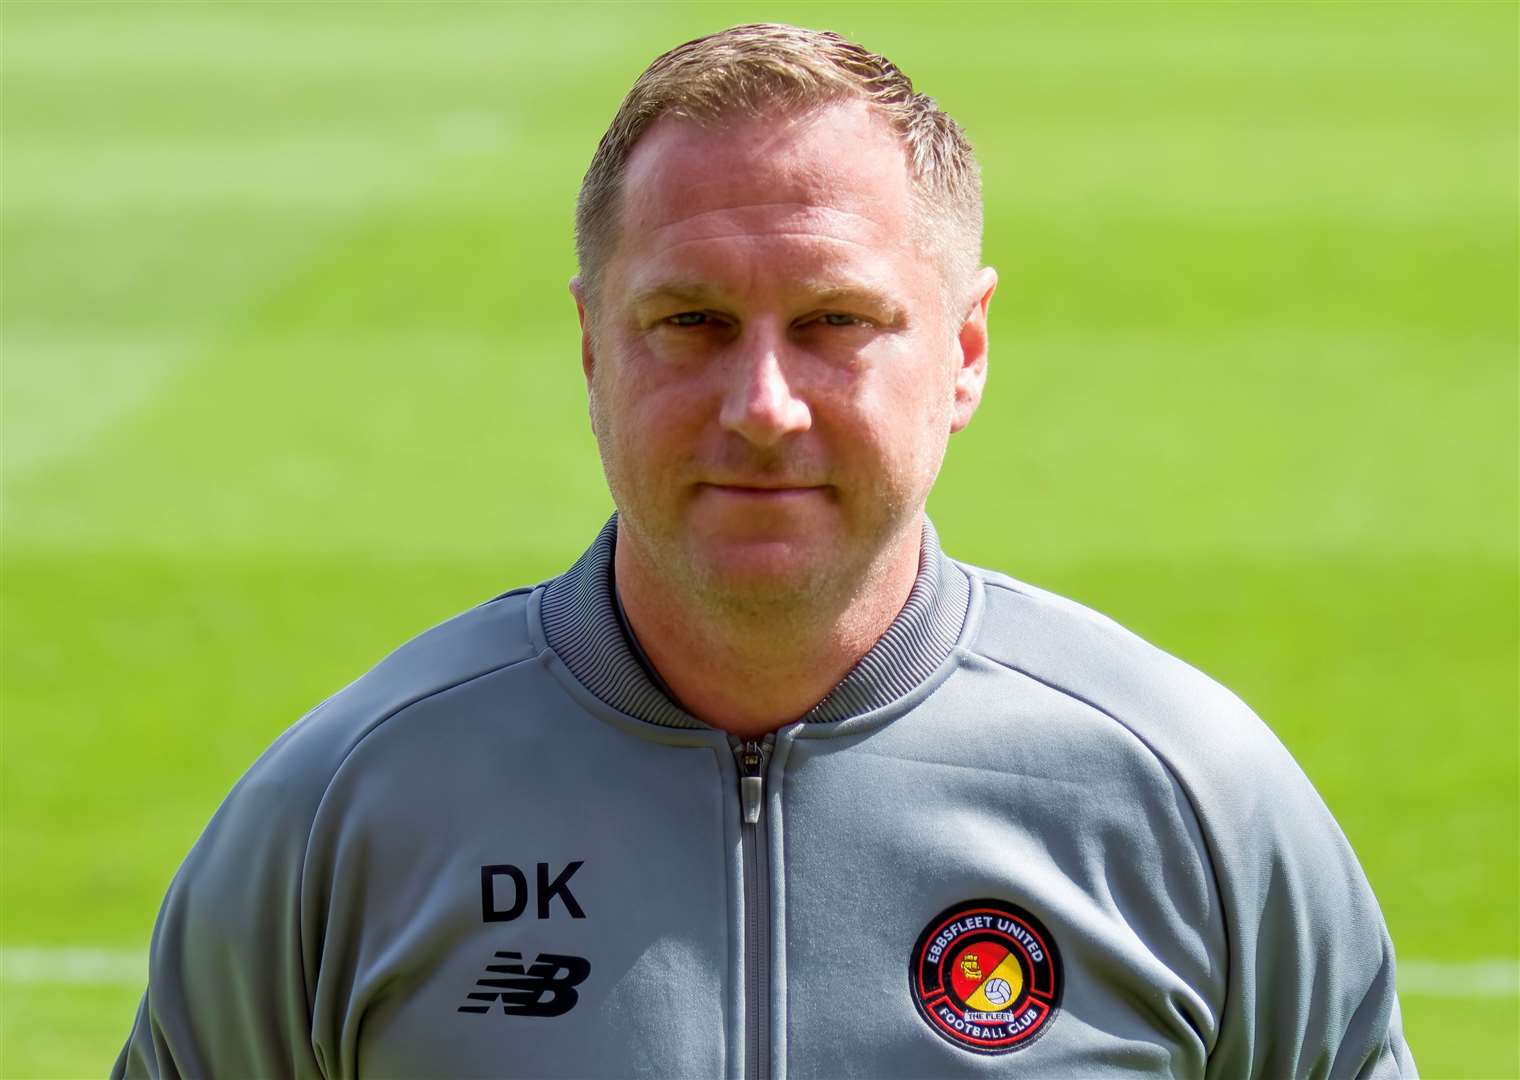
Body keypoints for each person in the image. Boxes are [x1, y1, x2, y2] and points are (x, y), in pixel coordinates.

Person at [115, 23, 1415, 1079]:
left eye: (837, 320)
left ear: (961, 352)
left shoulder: (1189, 795)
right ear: (589, 350)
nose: (763, 405)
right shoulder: (345, 811)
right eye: (689, 320)